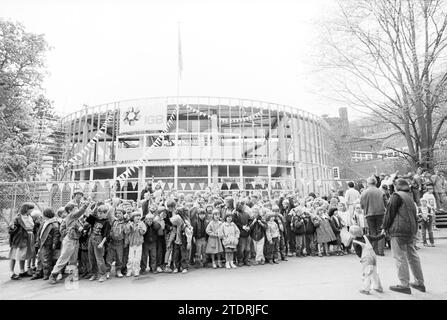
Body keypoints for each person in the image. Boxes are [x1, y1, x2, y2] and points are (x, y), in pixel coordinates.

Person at [382, 178, 425, 294]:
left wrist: (384, 227)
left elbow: (389, 213)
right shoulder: (409, 196)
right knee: (413, 256)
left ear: (396, 186)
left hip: (399, 230)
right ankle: (419, 282)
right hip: (410, 230)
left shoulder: (397, 196)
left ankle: (404, 284)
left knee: (400, 257)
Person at [49, 201, 90, 284]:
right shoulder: (71, 216)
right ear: (70, 210)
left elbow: (81, 223)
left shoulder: (76, 219)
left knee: (73, 259)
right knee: (64, 258)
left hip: (75, 240)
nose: (77, 209)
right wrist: (86, 205)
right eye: (75, 208)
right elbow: (80, 212)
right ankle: (53, 274)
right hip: (69, 240)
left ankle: (72, 275)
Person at [350, 225, 384, 295]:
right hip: (373, 256)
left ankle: (366, 289)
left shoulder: (355, 242)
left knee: (367, 274)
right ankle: (378, 287)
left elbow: (359, 254)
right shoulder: (367, 236)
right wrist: (383, 234)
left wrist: (361, 258)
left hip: (366, 259)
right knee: (375, 272)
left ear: (353, 234)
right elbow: (376, 238)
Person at [360, 176, 387, 256]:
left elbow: (362, 205)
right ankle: (381, 250)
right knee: (380, 231)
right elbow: (386, 203)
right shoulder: (381, 192)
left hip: (369, 213)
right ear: (376, 183)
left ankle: (375, 250)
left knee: (372, 232)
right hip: (380, 213)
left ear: (368, 183)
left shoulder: (364, 192)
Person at [8, 203, 36, 280]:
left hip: (28, 237)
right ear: (27, 209)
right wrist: (13, 227)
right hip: (19, 239)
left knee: (23, 254)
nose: (32, 210)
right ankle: (11, 272)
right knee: (14, 254)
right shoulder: (18, 217)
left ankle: (22, 271)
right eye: (31, 209)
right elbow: (11, 228)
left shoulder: (29, 216)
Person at [32, 208, 61, 280]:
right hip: (42, 243)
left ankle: (46, 274)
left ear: (46, 215)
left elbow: (56, 234)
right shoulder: (45, 222)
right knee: (39, 258)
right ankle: (39, 272)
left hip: (48, 243)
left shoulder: (54, 223)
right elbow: (40, 233)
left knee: (46, 259)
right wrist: (37, 241)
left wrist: (54, 243)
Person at [85, 204, 112, 282]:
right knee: (91, 258)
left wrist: (102, 243)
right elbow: (87, 215)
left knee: (99, 259)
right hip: (91, 238)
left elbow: (106, 235)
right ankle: (94, 274)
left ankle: (102, 274)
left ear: (105, 213)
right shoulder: (96, 219)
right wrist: (90, 204)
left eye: (101, 213)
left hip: (99, 240)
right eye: (98, 213)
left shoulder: (107, 222)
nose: (99, 214)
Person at [124, 211, 147, 277]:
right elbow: (126, 232)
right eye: (136, 216)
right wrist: (129, 226)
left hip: (139, 243)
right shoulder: (130, 223)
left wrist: (140, 229)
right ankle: (129, 270)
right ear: (133, 217)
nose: (138, 217)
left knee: (137, 258)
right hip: (131, 243)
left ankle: (136, 270)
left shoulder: (142, 223)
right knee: (130, 258)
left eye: (139, 216)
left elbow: (143, 232)